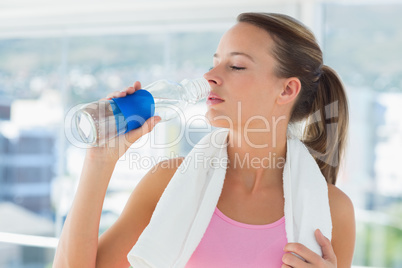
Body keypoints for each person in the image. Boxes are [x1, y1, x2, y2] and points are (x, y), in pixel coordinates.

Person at [53, 12, 355, 267]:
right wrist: (99, 160)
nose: (210, 75)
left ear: (287, 90)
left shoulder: (333, 211)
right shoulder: (168, 181)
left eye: (235, 65)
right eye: (215, 62)